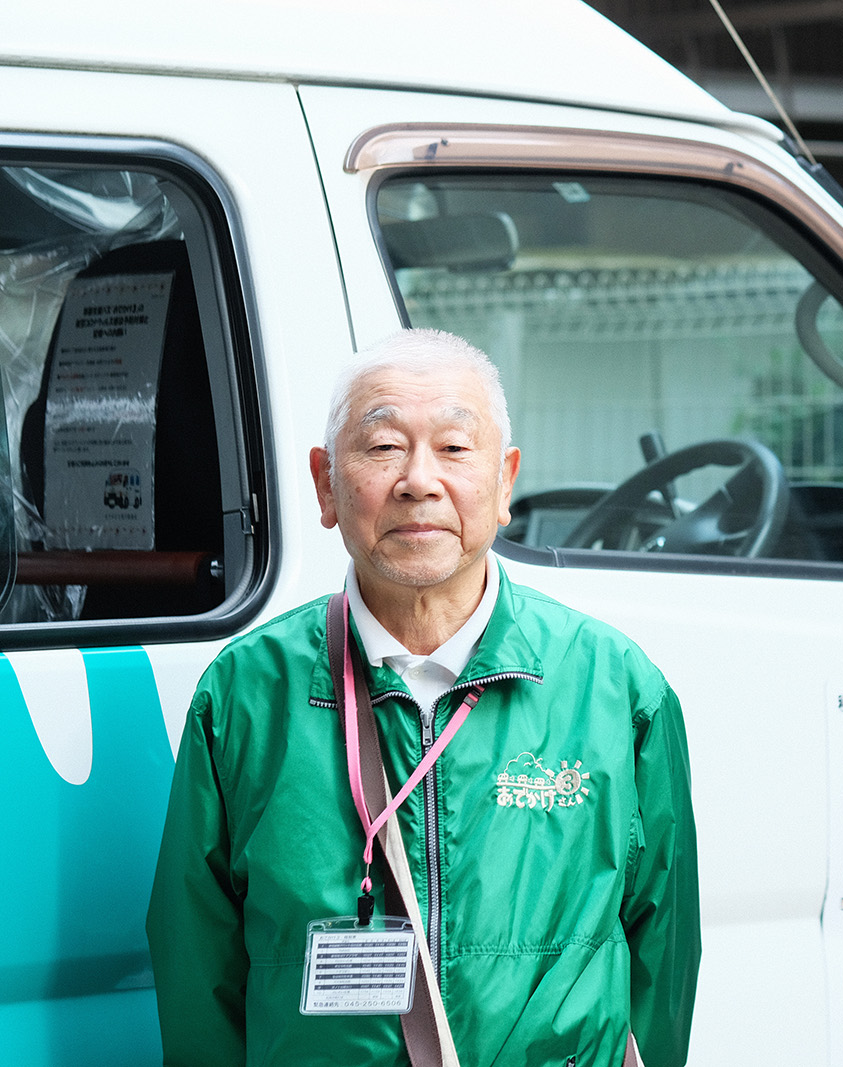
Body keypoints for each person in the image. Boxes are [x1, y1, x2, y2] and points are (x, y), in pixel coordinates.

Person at [147, 328, 699, 1067]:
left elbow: (663, 965)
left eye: (455, 447)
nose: (418, 480)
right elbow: (197, 972)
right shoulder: (246, 694)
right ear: (325, 485)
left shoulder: (616, 688)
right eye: (381, 448)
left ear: (505, 483)